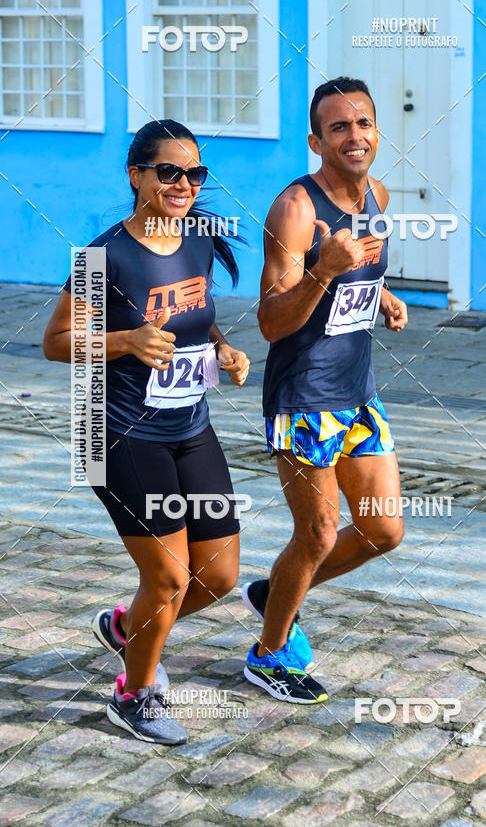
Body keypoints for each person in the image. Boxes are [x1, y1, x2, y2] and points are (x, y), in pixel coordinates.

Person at [43, 119, 249, 744]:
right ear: (137, 176)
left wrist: (223, 348)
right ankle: (134, 694)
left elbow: (194, 319)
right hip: (118, 432)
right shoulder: (105, 257)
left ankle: (128, 627)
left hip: (190, 422)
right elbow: (54, 344)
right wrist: (125, 340)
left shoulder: (201, 241)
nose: (184, 185)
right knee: (168, 577)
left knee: (218, 574)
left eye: (194, 174)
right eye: (169, 172)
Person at [242, 77, 408, 703]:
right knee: (314, 536)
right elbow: (270, 321)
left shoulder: (378, 195)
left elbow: (357, 274)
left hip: (358, 390)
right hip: (303, 397)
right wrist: (321, 269)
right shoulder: (297, 210)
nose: (354, 136)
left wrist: (381, 295)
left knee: (383, 530)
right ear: (316, 140)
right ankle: (267, 655)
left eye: (362, 123)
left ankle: (280, 590)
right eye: (338, 127)